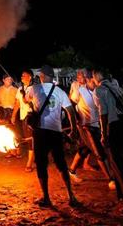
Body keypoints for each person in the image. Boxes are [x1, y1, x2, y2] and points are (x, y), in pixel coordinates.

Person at [27, 66, 81, 209]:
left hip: (40, 132)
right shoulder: (60, 92)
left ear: (43, 76)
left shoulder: (34, 89)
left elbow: (26, 98)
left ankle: (46, 197)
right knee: (61, 164)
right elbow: (70, 111)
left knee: (41, 164)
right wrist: (74, 129)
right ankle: (71, 195)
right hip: (56, 131)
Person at [92, 70, 123, 213]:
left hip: (115, 127)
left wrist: (103, 134)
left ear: (97, 78)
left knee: (119, 162)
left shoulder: (100, 90)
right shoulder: (117, 86)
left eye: (92, 77)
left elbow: (103, 114)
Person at [69, 69, 116, 190]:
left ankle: (71, 171)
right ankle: (111, 179)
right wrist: (77, 120)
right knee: (99, 153)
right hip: (86, 127)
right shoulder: (80, 91)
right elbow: (70, 105)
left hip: (96, 125)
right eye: (93, 80)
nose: (95, 83)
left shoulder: (97, 91)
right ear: (88, 80)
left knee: (84, 149)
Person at [12, 69, 37, 172]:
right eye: (21, 75)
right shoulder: (20, 89)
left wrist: (23, 95)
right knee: (28, 139)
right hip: (23, 117)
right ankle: (34, 159)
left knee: (31, 139)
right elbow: (17, 103)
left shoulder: (34, 88)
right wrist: (13, 115)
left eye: (24, 75)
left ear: (30, 77)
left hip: (31, 117)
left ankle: (29, 163)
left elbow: (28, 101)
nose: (22, 77)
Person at [0, 75, 18, 157]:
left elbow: (17, 102)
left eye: (10, 79)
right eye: (7, 79)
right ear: (3, 80)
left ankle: (17, 151)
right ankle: (11, 151)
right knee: (7, 131)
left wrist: (14, 114)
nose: (9, 80)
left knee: (15, 131)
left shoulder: (15, 90)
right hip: (4, 112)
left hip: (13, 111)